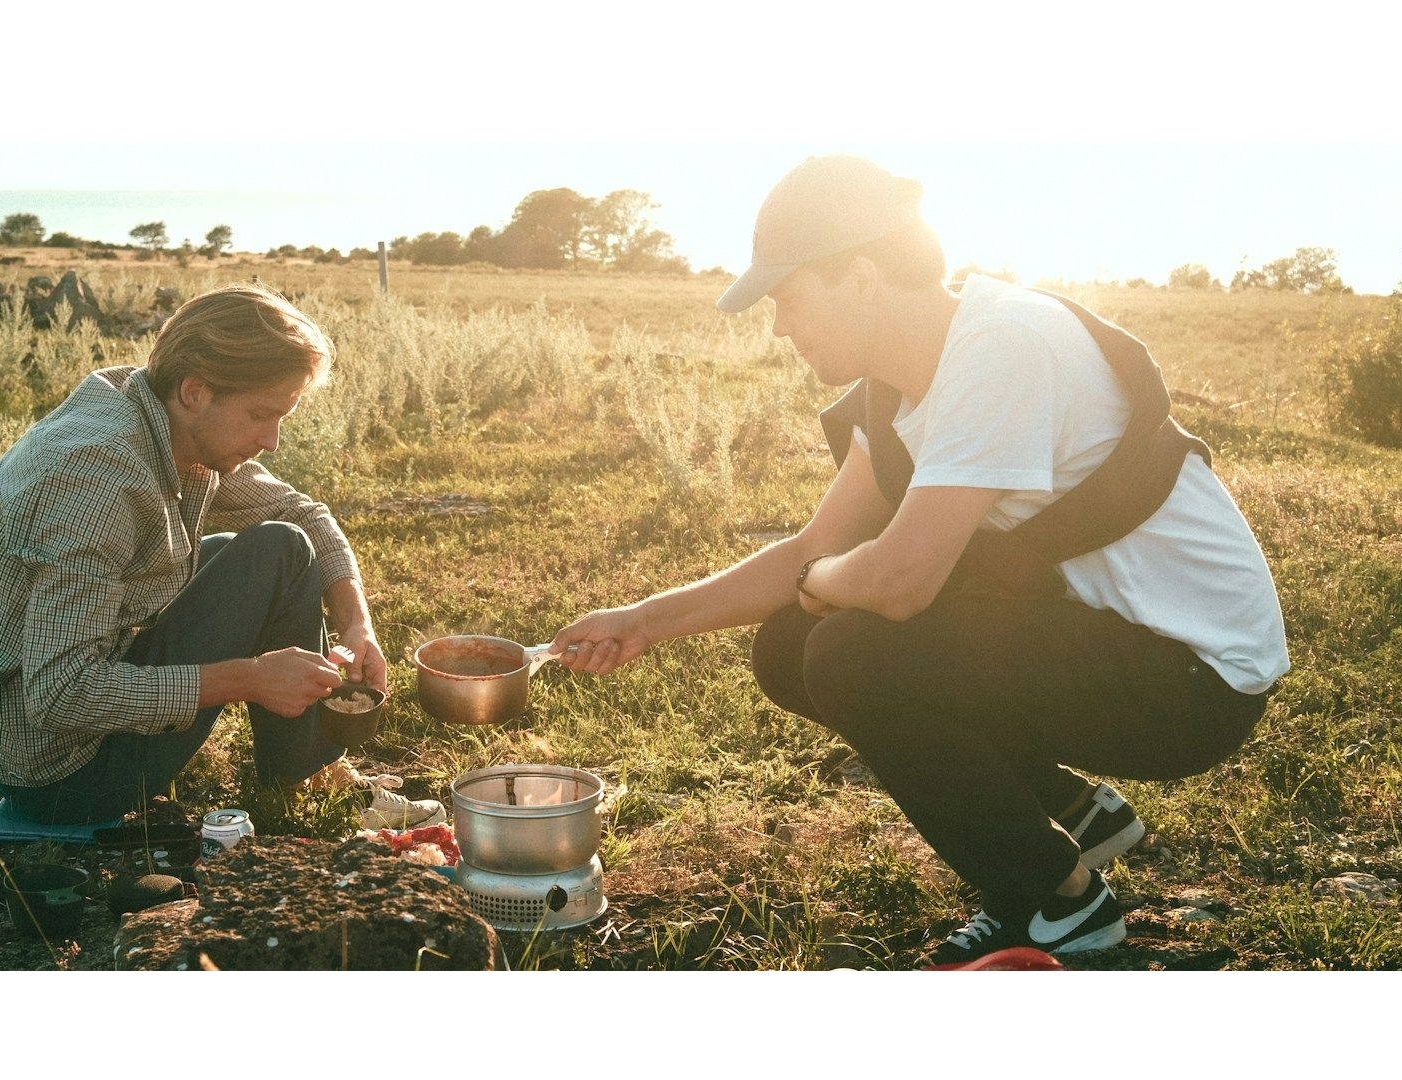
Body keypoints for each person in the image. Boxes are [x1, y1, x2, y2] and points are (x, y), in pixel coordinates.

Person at [548, 156, 1288, 966]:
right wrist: (643, 622)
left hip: (1193, 680)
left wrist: (818, 584)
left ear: (863, 277)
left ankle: (1056, 902)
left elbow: (897, 584)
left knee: (853, 651)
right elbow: (813, 550)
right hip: (1096, 636)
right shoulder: (899, 388)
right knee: (792, 646)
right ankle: (1073, 810)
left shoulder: (1004, 347)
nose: (781, 328)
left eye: (788, 298)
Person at [0, 284, 438, 829]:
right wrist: (249, 679)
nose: (272, 440)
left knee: (276, 549)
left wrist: (356, 624)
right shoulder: (98, 479)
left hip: (42, 724)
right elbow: (59, 695)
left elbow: (300, 513)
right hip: (59, 775)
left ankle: (304, 769)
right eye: (260, 414)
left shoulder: (154, 411)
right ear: (196, 390)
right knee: (277, 550)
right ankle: (306, 772)